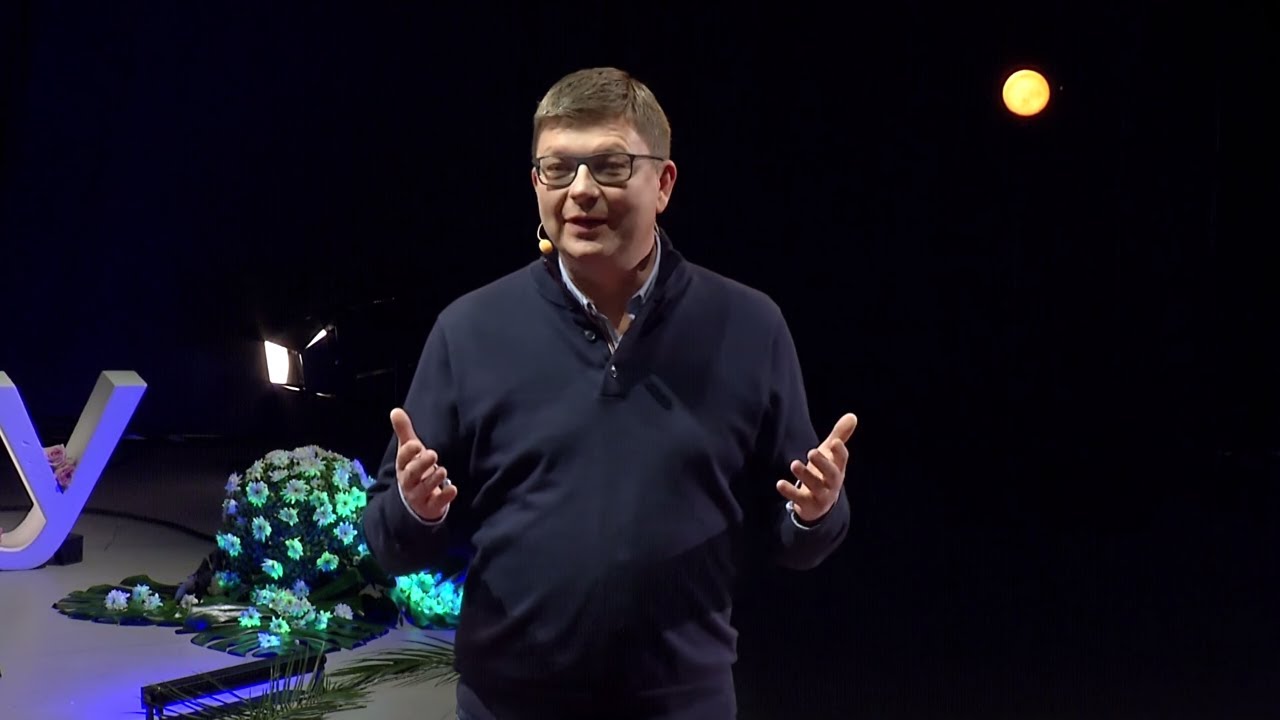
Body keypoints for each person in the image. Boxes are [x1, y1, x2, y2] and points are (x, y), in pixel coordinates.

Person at [362, 66, 856, 720]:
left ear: (664, 184)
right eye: (557, 169)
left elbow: (796, 540)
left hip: (683, 701)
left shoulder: (747, 324)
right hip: (511, 702)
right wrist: (415, 509)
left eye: (611, 166)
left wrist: (815, 513)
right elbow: (390, 541)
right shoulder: (471, 329)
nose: (581, 191)